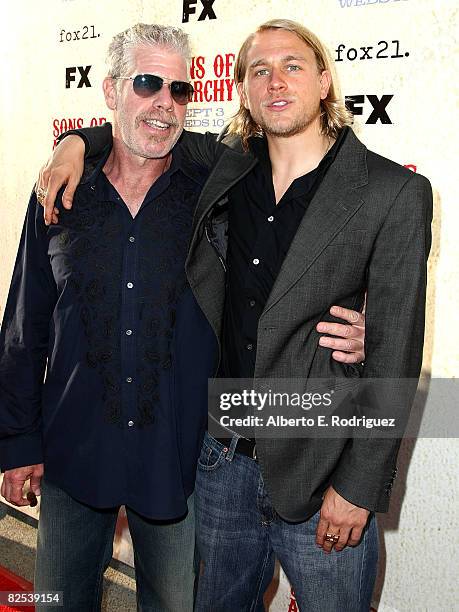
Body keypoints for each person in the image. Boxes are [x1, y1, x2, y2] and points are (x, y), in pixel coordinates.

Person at [0, 22, 367, 612]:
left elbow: (303, 248)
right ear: (111, 89)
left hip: (178, 463)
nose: (164, 105)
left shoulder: (218, 188)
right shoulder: (60, 193)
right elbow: (24, 324)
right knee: (53, 600)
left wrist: (365, 316)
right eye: (147, 84)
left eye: (179, 90)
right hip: (73, 451)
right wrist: (17, 439)